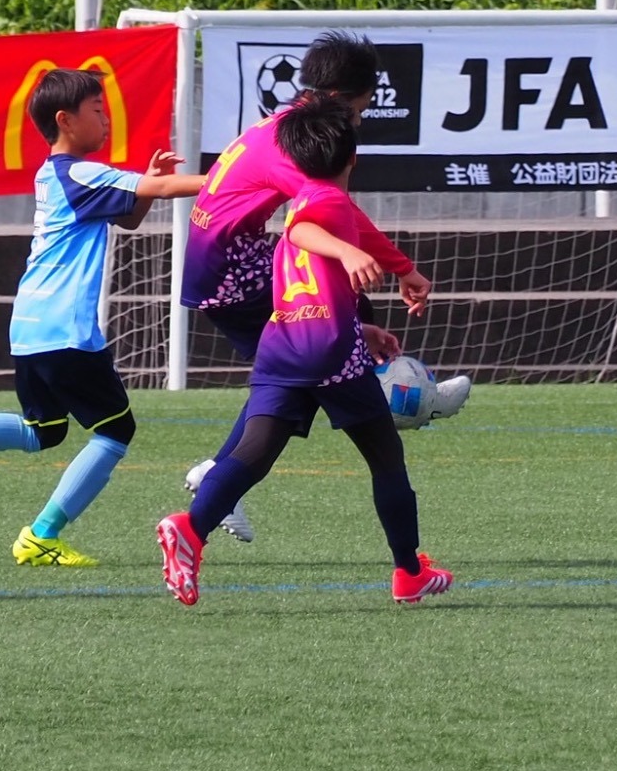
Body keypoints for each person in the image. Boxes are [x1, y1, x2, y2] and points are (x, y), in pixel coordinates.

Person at [0, 68, 208, 567]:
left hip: (30, 327)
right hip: (65, 330)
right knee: (116, 431)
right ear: (65, 120)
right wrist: (233, 179)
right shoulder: (80, 173)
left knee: (43, 431)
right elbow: (163, 190)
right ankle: (42, 534)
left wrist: (147, 183)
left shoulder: (52, 174)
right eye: (96, 110)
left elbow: (129, 216)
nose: (106, 118)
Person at [157, 94, 454, 606]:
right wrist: (349, 252)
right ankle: (409, 573)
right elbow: (305, 231)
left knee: (254, 453)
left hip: (284, 344)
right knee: (386, 458)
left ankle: (191, 529)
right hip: (330, 355)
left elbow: (309, 277)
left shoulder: (296, 198)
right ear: (353, 158)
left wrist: (365, 325)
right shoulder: (324, 204)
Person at [181, 30, 469, 542]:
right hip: (230, 270)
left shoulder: (285, 125)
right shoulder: (298, 144)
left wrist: (390, 271)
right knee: (319, 347)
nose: (360, 121)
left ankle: (225, 474)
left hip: (227, 261)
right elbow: (328, 217)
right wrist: (400, 266)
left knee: (302, 360)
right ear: (336, 98)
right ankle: (409, 395)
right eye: (359, 110)